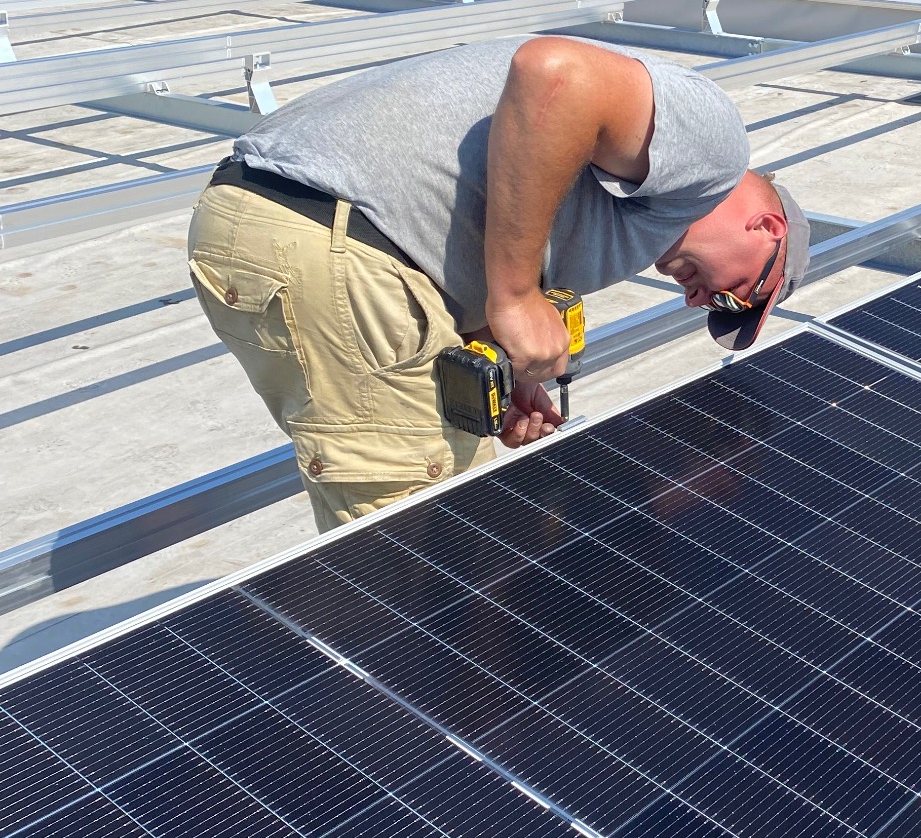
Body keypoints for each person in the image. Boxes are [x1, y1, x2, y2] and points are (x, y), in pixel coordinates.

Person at [187, 33, 808, 530]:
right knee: (427, 550)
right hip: (330, 235)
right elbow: (554, 71)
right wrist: (515, 297)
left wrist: (496, 348)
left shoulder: (641, 209)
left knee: (415, 525)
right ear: (767, 226)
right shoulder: (716, 150)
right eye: (735, 293)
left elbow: (465, 210)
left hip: (289, 227)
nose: (700, 300)